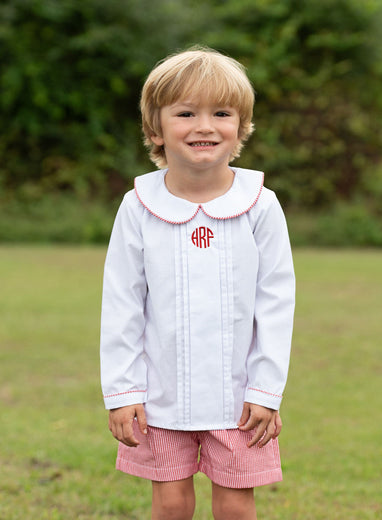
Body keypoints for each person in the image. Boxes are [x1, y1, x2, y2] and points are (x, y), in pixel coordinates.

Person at [100, 46, 295, 520]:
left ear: (240, 127)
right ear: (156, 129)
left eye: (221, 113)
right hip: (160, 396)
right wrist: (123, 392)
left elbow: (275, 302)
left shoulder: (260, 205)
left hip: (239, 399)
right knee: (170, 503)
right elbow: (122, 304)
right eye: (186, 113)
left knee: (234, 505)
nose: (205, 126)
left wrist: (265, 391)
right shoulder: (138, 206)